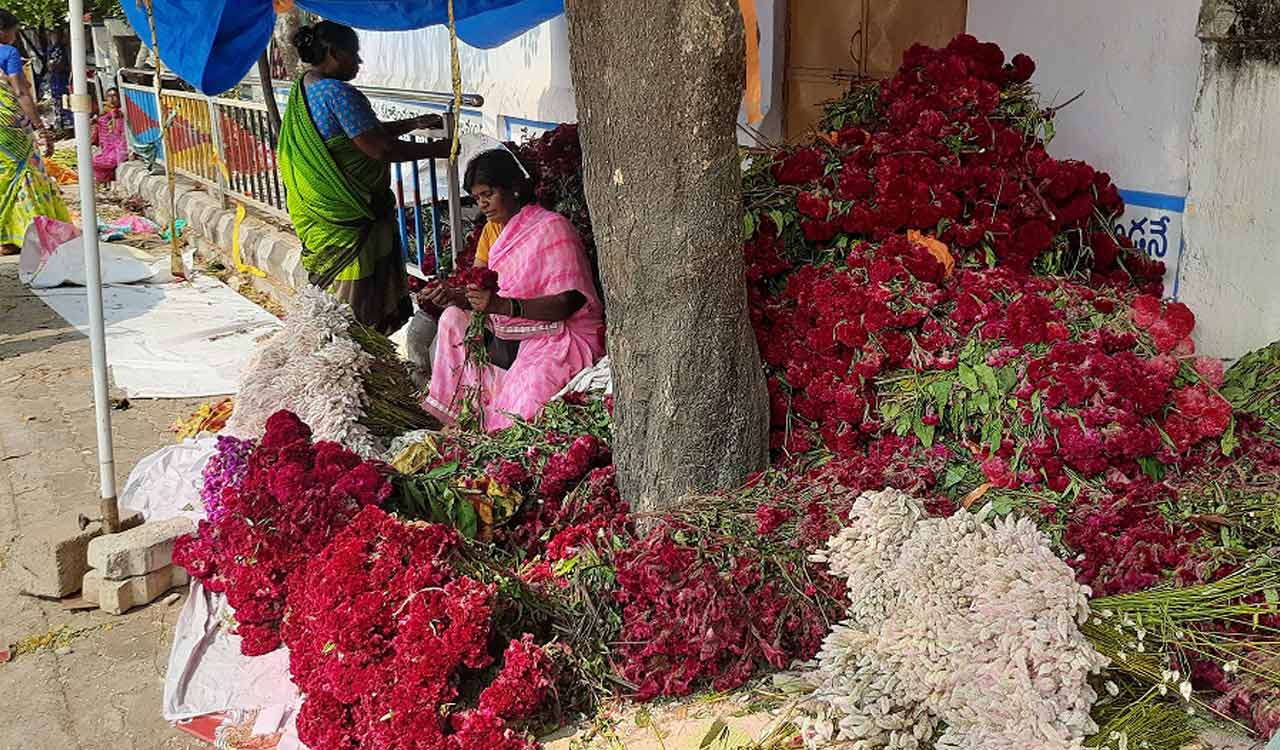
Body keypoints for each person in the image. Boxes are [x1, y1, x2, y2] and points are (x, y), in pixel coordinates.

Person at [277, 20, 450, 334]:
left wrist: (412, 123)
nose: (358, 62)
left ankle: (341, 350)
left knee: (331, 301)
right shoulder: (337, 92)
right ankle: (354, 356)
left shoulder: (305, 86)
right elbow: (378, 148)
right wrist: (437, 149)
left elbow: (359, 131)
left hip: (322, 212)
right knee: (352, 308)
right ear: (334, 52)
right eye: (354, 54)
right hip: (349, 216)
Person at [422, 149, 605, 431]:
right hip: (518, 329)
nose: (482, 204)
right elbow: (489, 293)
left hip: (563, 333)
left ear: (515, 188)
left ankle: (490, 415)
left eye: (488, 194)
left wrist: (504, 307)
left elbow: (571, 301)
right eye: (477, 197)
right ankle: (468, 414)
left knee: (521, 408)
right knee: (452, 319)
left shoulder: (552, 228)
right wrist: (453, 296)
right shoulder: (496, 233)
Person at [0, 11, 68, 256]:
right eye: (14, 31)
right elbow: (20, 92)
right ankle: (26, 233)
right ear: (4, 31)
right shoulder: (8, 53)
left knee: (3, 176)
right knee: (26, 171)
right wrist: (41, 128)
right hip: (10, 125)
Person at [91, 87, 127, 183]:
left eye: (114, 96)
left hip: (119, 149)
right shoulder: (105, 113)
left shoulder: (122, 112)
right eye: (109, 96)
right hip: (108, 149)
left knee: (99, 162)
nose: (111, 99)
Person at [47, 29, 70, 132]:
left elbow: (62, 65)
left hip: (63, 80)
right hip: (55, 80)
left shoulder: (63, 49)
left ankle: (68, 128)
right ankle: (61, 128)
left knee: (65, 101)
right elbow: (49, 65)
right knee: (57, 103)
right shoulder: (51, 49)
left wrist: (55, 65)